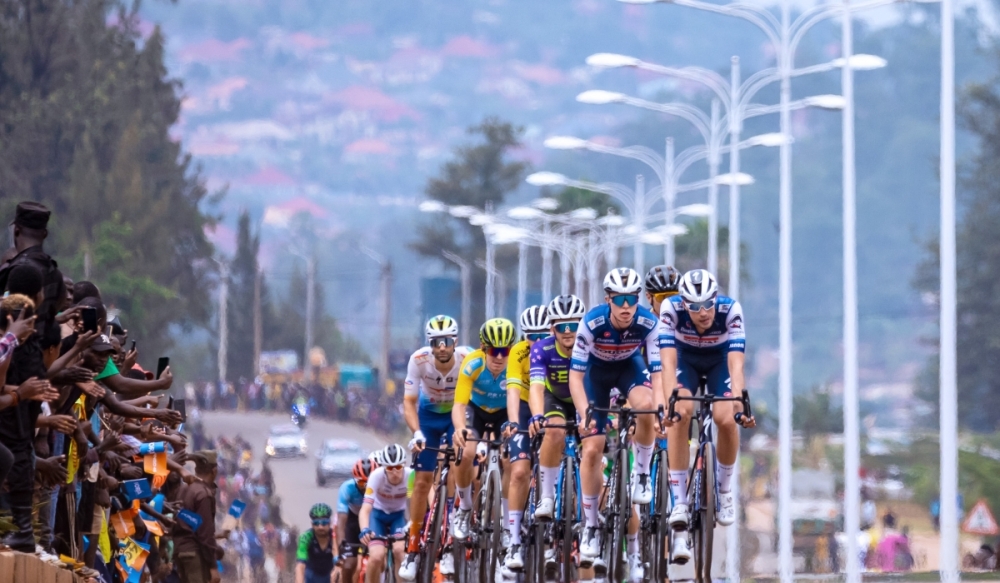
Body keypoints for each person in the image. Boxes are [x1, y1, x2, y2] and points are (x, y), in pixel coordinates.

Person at [567, 268, 663, 563]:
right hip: (594, 375)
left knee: (646, 405)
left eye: (631, 299)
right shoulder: (591, 323)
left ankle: (642, 474)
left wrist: (659, 409)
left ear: (637, 300)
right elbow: (574, 377)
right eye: (619, 299)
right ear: (608, 299)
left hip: (627, 367)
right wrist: (585, 415)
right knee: (593, 447)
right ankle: (591, 525)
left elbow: (658, 372)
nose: (625, 306)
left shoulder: (649, 322)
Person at [659, 269, 754, 562]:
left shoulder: (730, 311)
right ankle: (680, 502)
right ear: (684, 304)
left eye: (708, 304)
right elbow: (666, 362)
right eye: (695, 306)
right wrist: (668, 404)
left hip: (719, 363)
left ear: (716, 299)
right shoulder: (670, 309)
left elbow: (736, 366)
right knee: (681, 413)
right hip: (685, 361)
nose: (703, 312)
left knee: (725, 419)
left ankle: (724, 490)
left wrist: (740, 405)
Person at [399, 316, 470, 580]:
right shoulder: (418, 360)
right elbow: (408, 402)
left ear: (456, 341)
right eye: (437, 342)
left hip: (455, 416)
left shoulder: (467, 358)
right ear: (430, 344)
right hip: (427, 420)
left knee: (457, 462)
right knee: (421, 482)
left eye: (447, 341)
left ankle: (452, 537)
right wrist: (416, 433)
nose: (442, 347)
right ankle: (413, 548)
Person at [527, 295, 586, 543]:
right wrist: (537, 416)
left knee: (595, 438)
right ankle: (548, 496)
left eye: (574, 326)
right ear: (552, 329)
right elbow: (537, 388)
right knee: (554, 431)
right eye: (562, 327)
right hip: (557, 400)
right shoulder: (542, 349)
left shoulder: (592, 345)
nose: (568, 332)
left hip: (585, 397)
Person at [451, 318, 515, 545]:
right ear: (483, 348)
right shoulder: (472, 364)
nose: (499, 357)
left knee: (511, 461)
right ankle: (465, 509)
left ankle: (509, 524)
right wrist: (459, 429)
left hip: (505, 412)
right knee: (466, 452)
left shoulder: (515, 364)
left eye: (505, 351)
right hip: (475, 411)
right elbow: (459, 404)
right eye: (493, 350)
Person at [501, 305, 549, 572]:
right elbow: (512, 392)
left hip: (550, 403)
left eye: (542, 335)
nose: (536, 342)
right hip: (522, 405)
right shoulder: (518, 354)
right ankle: (515, 541)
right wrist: (513, 423)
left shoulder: (557, 349)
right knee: (519, 472)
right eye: (531, 336)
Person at [173, 450, 224, 583]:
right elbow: (205, 533)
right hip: (195, 554)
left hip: (179, 551)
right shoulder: (204, 494)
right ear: (214, 471)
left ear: (196, 469)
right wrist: (213, 567)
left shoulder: (183, 489)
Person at [360, 444, 408, 583]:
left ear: (404, 465)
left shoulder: (410, 475)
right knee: (376, 556)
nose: (394, 472)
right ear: (383, 467)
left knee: (399, 551)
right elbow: (365, 509)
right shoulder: (376, 476)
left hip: (398, 517)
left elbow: (417, 498)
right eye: (389, 468)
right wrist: (364, 529)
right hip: (377, 516)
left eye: (398, 467)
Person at [336, 458, 377, 583]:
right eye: (361, 483)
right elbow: (341, 523)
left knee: (380, 562)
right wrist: (342, 546)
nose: (365, 487)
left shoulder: (380, 486)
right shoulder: (346, 488)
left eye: (369, 482)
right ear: (354, 479)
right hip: (352, 522)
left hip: (373, 520)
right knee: (349, 565)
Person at [295, 503, 336, 583]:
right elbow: (300, 566)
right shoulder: (305, 537)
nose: (320, 527)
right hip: (311, 577)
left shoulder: (335, 537)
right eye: (316, 523)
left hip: (331, 576)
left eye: (324, 522)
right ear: (312, 524)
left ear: (329, 523)